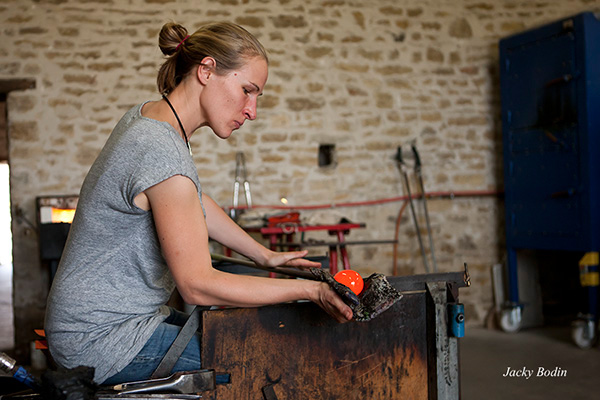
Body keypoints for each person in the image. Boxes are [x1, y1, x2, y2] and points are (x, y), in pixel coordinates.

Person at [44, 21, 353, 385]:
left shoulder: (150, 118)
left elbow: (193, 199)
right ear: (206, 71)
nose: (252, 110)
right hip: (99, 339)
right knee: (262, 361)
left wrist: (262, 255)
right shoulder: (160, 150)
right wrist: (311, 290)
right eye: (247, 91)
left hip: (100, 322)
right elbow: (197, 285)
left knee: (240, 333)